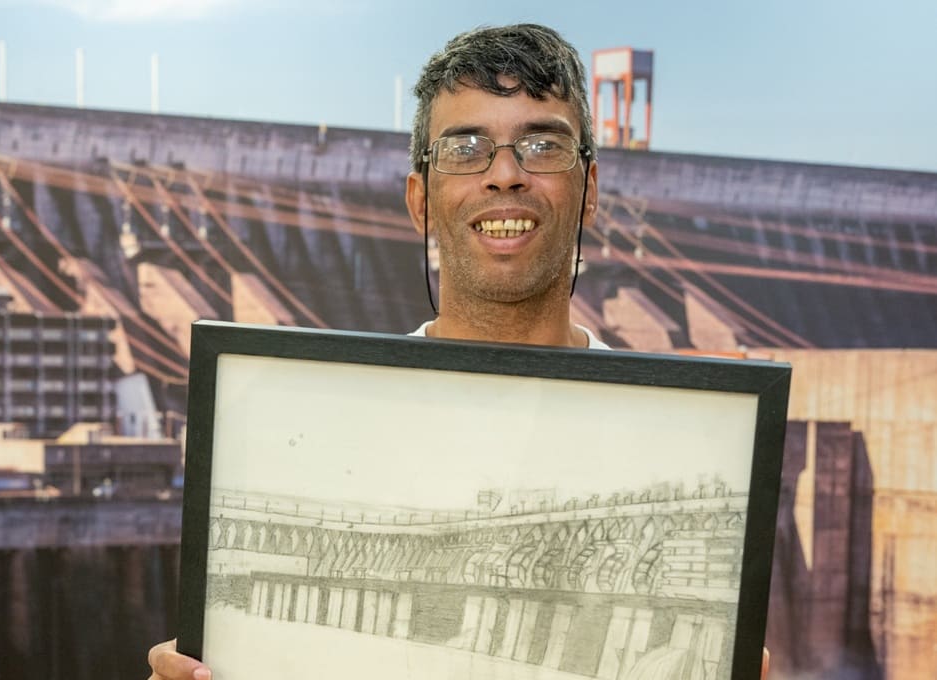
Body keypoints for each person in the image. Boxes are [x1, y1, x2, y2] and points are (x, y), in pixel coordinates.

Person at [148, 22, 769, 680]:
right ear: (420, 200)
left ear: (590, 191)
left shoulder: (685, 438)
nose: (505, 175)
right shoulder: (321, 428)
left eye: (541, 144)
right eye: (466, 148)